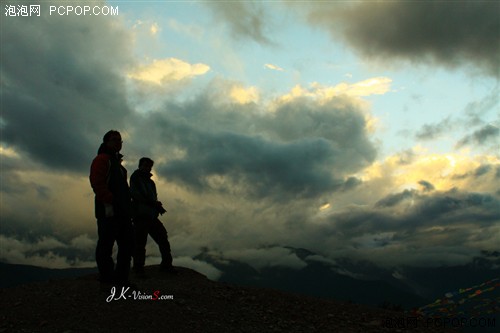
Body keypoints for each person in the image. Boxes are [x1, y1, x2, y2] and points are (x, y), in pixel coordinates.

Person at [89, 130, 134, 287]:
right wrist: (111, 201)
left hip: (123, 213)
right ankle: (107, 280)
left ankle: (121, 280)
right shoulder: (102, 160)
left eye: (120, 140)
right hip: (108, 212)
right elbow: (97, 183)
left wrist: (127, 207)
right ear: (106, 142)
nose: (118, 142)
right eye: (114, 139)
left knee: (126, 247)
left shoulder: (119, 166)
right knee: (106, 246)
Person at [130, 157, 175, 275]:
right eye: (145, 166)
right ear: (140, 166)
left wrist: (155, 205)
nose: (147, 168)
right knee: (140, 243)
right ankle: (138, 269)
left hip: (151, 216)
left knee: (163, 238)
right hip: (140, 215)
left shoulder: (150, 182)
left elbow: (150, 197)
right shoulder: (135, 178)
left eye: (149, 166)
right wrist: (153, 203)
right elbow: (136, 195)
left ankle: (166, 265)